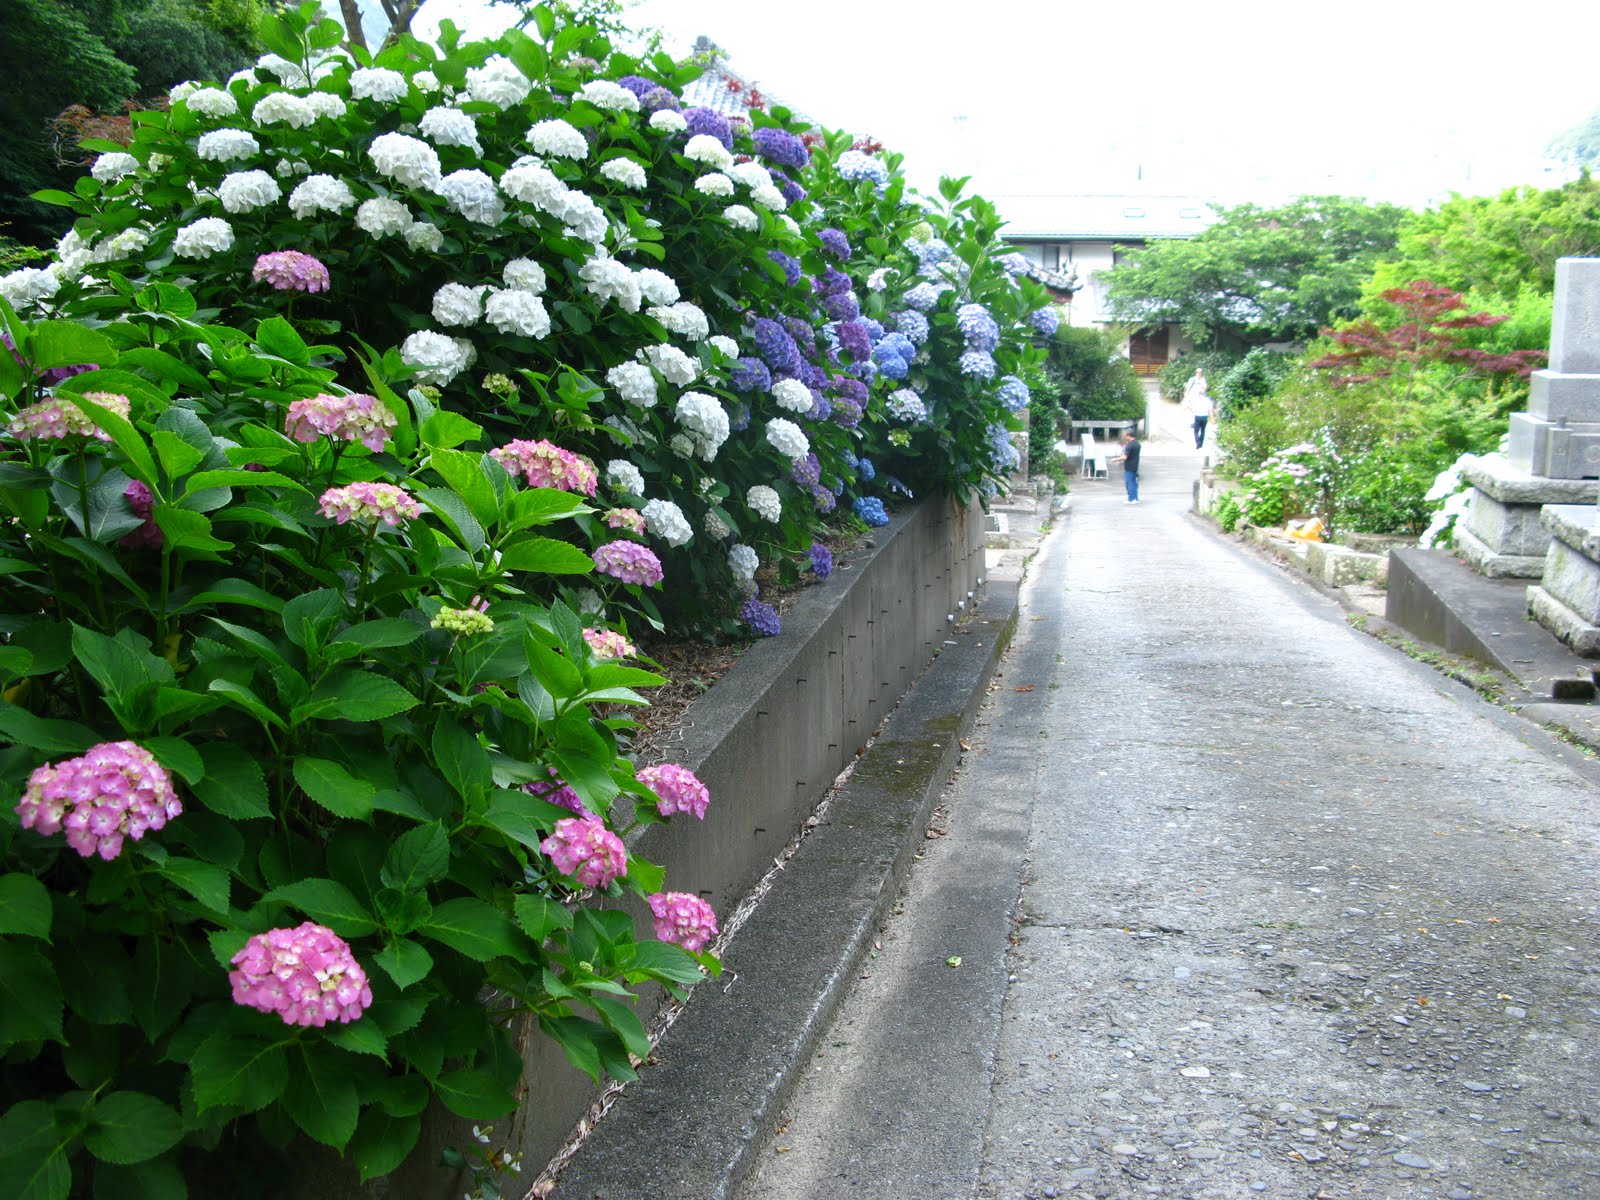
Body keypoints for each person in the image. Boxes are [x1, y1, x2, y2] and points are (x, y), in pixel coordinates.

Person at [1183, 368, 1214, 450]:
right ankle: (1193, 423)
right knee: (1193, 411)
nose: (1199, 374)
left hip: (1199, 397)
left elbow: (1205, 387)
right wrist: (1187, 395)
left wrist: (1203, 390)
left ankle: (1199, 442)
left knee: (1196, 412)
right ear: (1196, 373)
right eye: (1198, 372)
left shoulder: (1203, 380)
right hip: (1193, 397)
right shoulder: (1192, 379)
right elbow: (1188, 387)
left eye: (1200, 373)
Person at [1112, 429, 1141, 502]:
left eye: (1126, 436)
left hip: (1129, 467)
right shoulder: (1138, 444)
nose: (1125, 437)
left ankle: (1131, 499)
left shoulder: (1129, 445)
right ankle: (1135, 498)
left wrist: (1115, 459)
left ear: (1129, 436)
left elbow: (1125, 457)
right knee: (1134, 483)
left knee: (1129, 483)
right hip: (1135, 466)